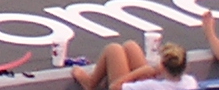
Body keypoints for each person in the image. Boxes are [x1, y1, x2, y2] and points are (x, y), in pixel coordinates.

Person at [67, 38, 195, 90]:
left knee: (114, 49)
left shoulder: (152, 86)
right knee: (131, 46)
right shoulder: (190, 82)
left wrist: (142, 71)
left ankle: (89, 83)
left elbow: (115, 86)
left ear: (162, 66)